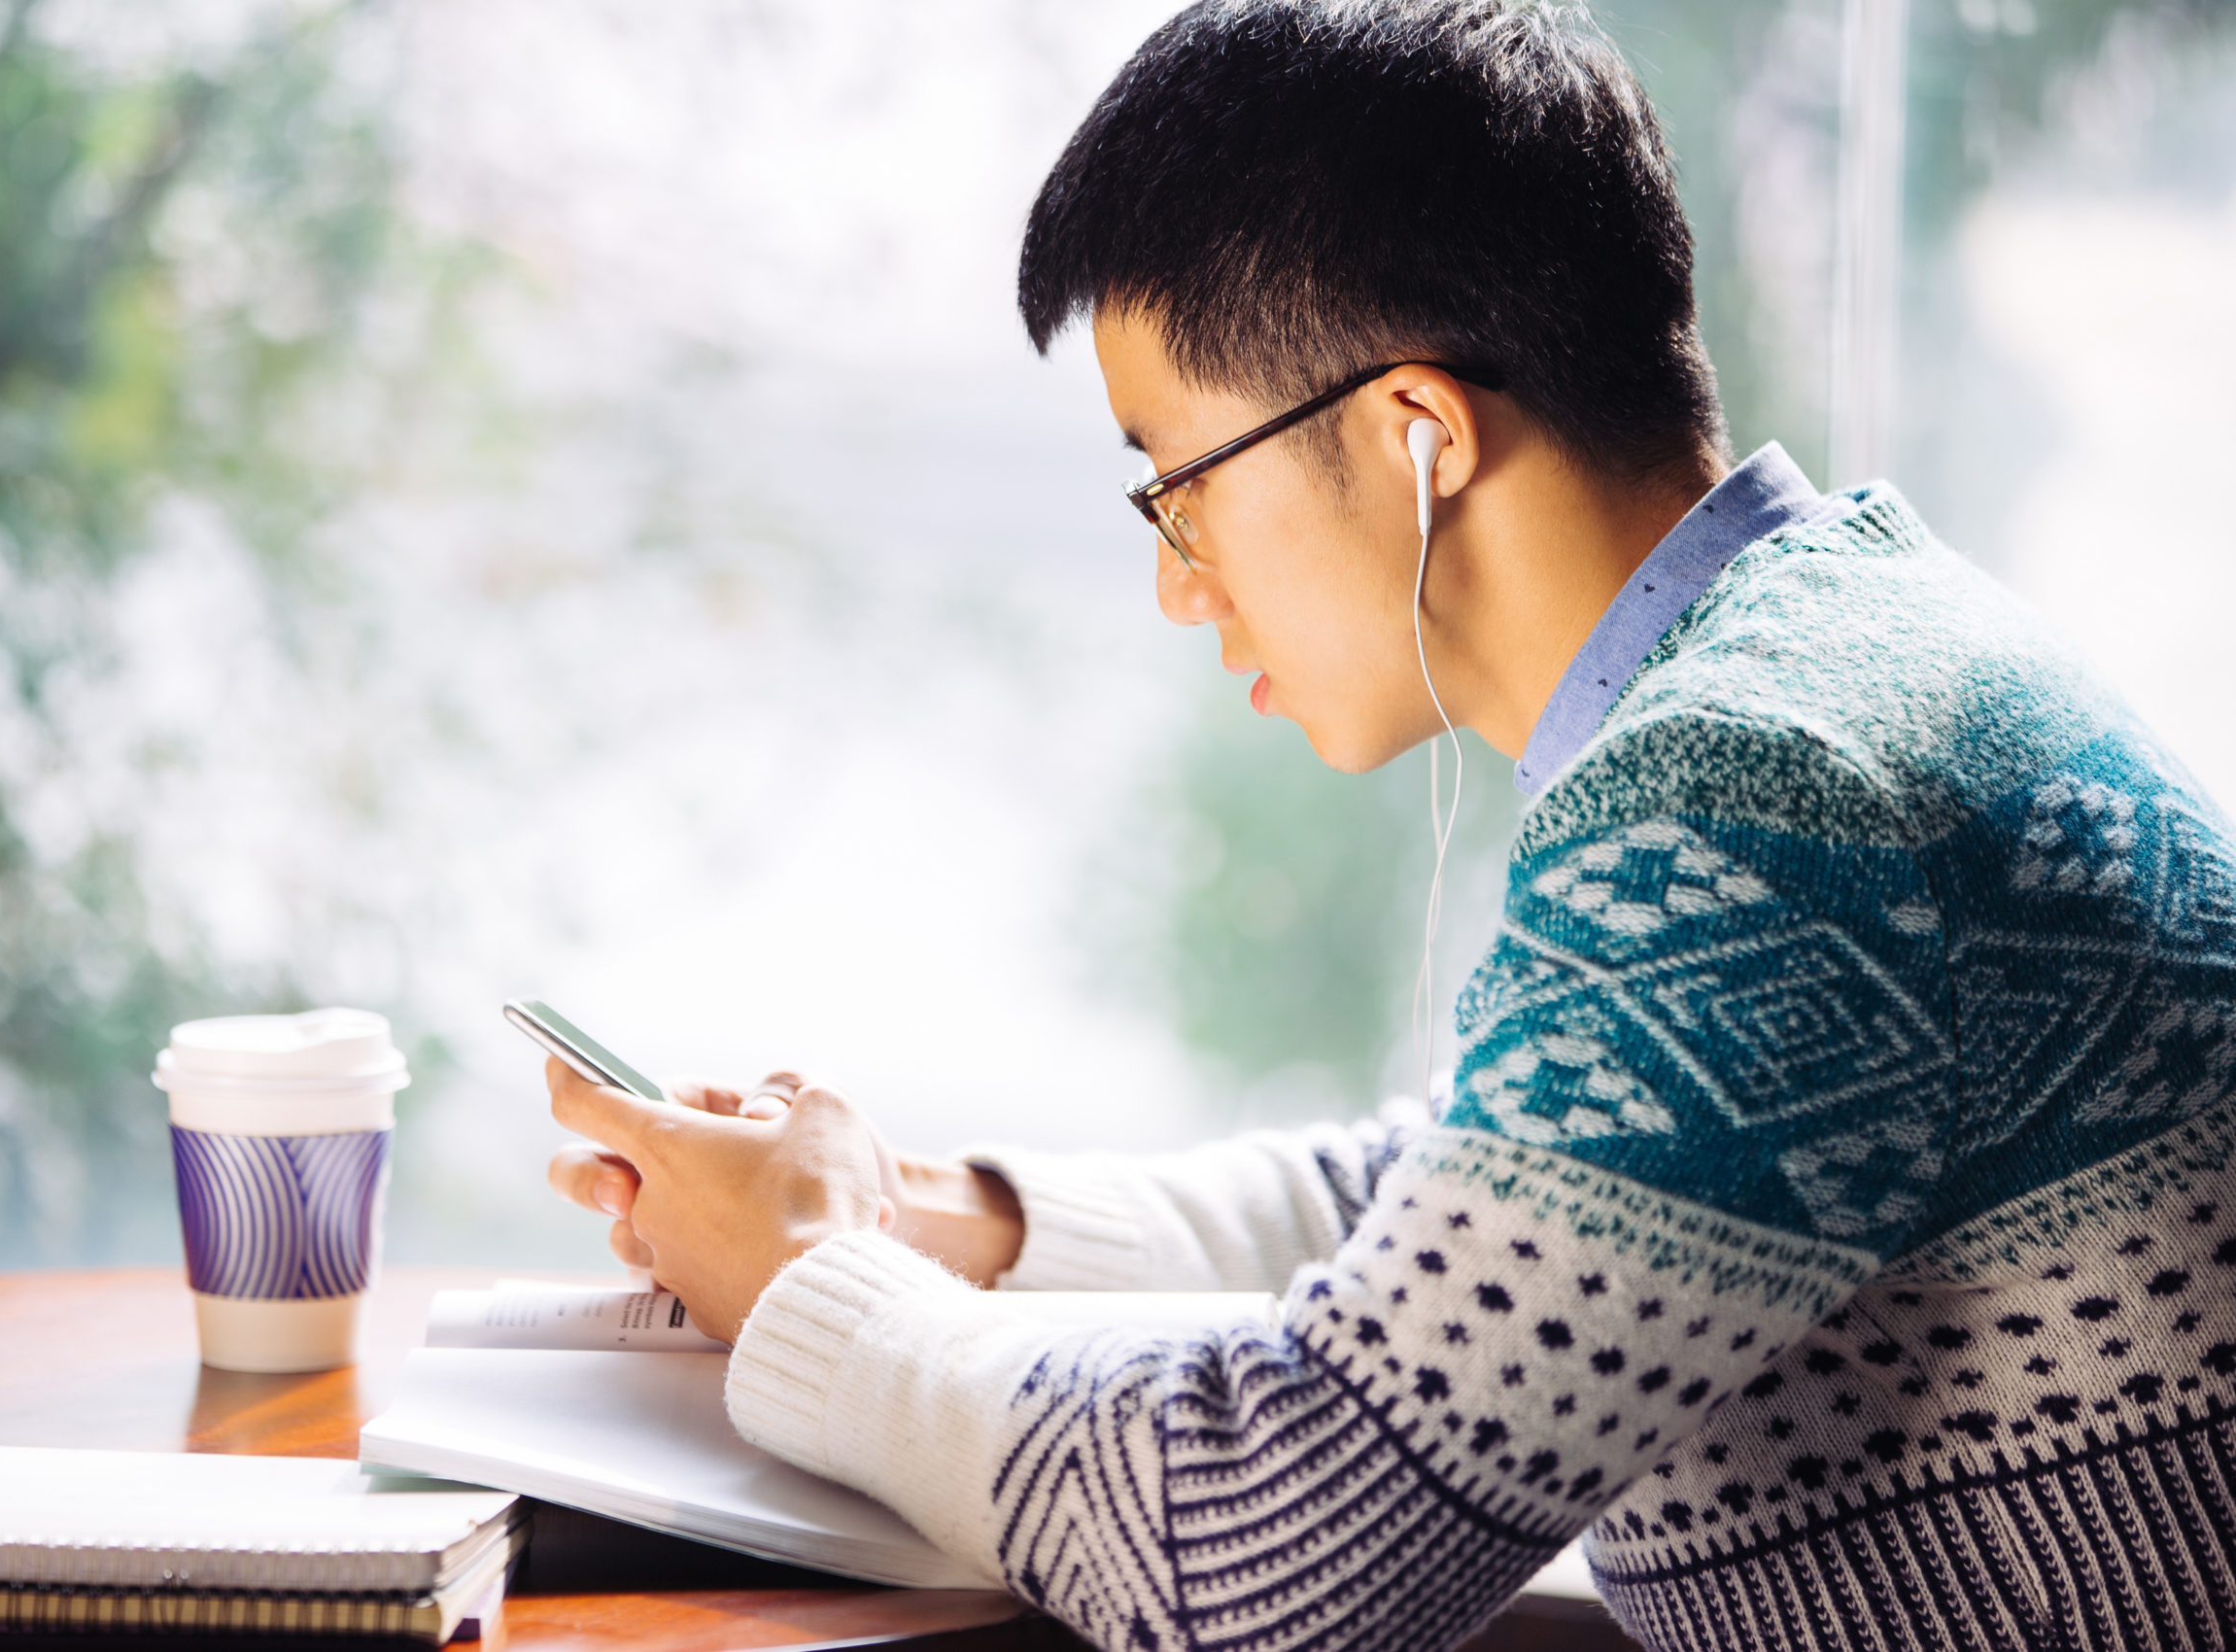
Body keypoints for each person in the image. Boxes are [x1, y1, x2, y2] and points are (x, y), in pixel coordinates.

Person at [542, 3, 2236, 1648]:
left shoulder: (1764, 793)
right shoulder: (1853, 657)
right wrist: (930, 1211)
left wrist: (808, 1291)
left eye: (1179, 481)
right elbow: (1468, 1199)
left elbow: (1285, 1545)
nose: (1171, 582)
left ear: (1418, 435)